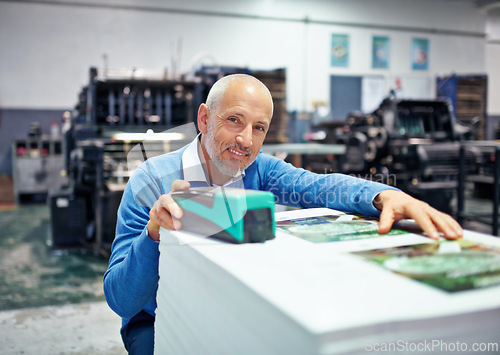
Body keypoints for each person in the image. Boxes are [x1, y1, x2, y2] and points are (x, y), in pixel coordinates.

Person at [104, 74, 463, 354]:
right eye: (234, 120)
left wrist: (385, 194)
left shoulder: (260, 171)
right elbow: (122, 300)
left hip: (228, 305)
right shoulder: (151, 182)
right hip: (158, 319)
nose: (245, 139)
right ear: (204, 118)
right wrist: (153, 234)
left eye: (258, 128)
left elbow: (321, 187)